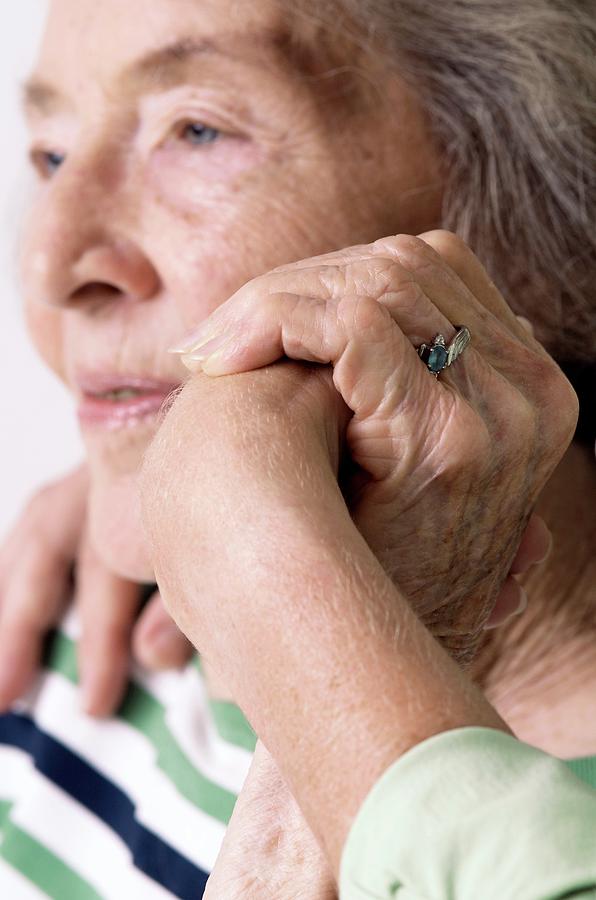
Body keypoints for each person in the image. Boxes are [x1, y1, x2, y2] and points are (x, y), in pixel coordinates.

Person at [0, 0, 593, 896]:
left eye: (198, 131)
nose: (51, 262)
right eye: (51, 153)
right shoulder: (65, 626)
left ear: (542, 221)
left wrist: (275, 586)